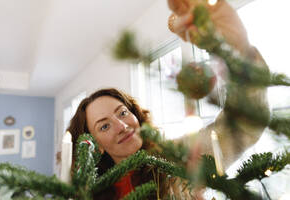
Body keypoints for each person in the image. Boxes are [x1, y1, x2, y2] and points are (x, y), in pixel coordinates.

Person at [67, 0, 268, 199]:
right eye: (104, 126)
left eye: (122, 112)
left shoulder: (176, 159)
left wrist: (239, 50)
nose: (121, 126)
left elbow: (242, 127)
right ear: (95, 146)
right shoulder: (91, 192)